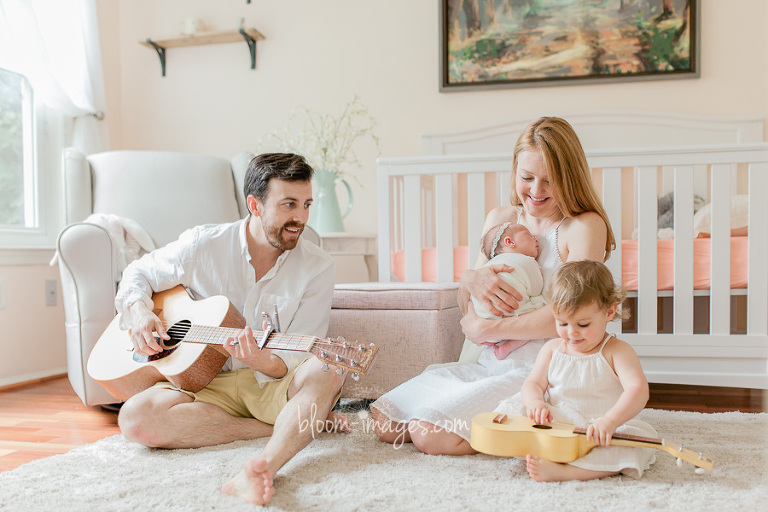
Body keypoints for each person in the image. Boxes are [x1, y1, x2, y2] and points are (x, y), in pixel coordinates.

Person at [371, 116, 616, 456]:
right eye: (526, 177)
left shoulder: (584, 227)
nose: (535, 190)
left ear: (569, 177)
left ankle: (524, 428)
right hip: (487, 359)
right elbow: (468, 300)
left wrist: (491, 327)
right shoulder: (501, 221)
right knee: (385, 422)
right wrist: (469, 279)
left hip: (538, 369)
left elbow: (573, 313)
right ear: (514, 171)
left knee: (428, 435)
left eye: (549, 180)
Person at [114, 153, 347, 506]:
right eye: (288, 205)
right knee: (135, 420)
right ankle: (295, 425)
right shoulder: (202, 245)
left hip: (271, 384)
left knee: (330, 367)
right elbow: (138, 273)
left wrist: (262, 361)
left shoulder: (318, 267)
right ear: (255, 204)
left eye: (306, 204)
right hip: (206, 382)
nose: (300, 218)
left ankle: (263, 466)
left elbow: (297, 357)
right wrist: (139, 310)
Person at [494, 260, 656, 481]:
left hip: (598, 429)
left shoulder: (616, 351)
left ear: (609, 312)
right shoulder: (552, 349)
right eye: (562, 323)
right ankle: (549, 451)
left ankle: (565, 471)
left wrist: (610, 421)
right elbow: (533, 384)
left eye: (583, 325)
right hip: (559, 422)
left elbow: (638, 390)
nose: (572, 333)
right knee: (510, 411)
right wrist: (536, 403)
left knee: (634, 444)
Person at [473, 222, 547, 360]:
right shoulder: (527, 261)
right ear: (510, 242)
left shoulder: (489, 266)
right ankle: (508, 346)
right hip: (509, 317)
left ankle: (491, 340)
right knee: (542, 303)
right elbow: (536, 288)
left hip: (482, 316)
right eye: (529, 235)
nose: (536, 239)